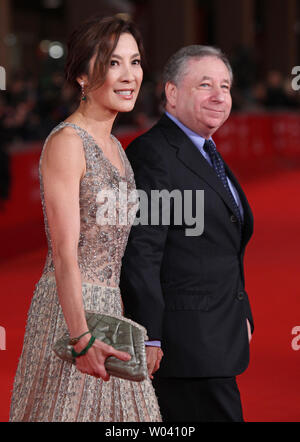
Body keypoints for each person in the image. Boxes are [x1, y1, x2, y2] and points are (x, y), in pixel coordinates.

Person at [9, 15, 161, 422]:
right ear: (80, 74)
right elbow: (64, 253)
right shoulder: (66, 143)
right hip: (70, 314)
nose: (129, 75)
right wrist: (80, 338)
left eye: (135, 62)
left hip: (112, 311)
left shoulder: (115, 146)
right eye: (113, 63)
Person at [120, 45, 254, 422]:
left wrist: (242, 314)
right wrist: (150, 336)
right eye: (205, 85)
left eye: (225, 86)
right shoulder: (156, 155)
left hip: (215, 336)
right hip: (183, 348)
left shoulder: (206, 152)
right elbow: (143, 250)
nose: (219, 96)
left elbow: (219, 247)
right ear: (172, 93)